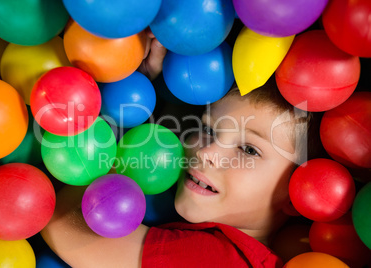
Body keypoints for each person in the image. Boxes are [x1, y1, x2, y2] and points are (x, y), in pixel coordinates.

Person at [40, 30, 324, 267]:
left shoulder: (215, 259)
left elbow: (62, 221)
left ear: (297, 192)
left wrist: (110, 157)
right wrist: (139, 89)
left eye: (249, 150)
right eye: (208, 130)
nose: (205, 153)